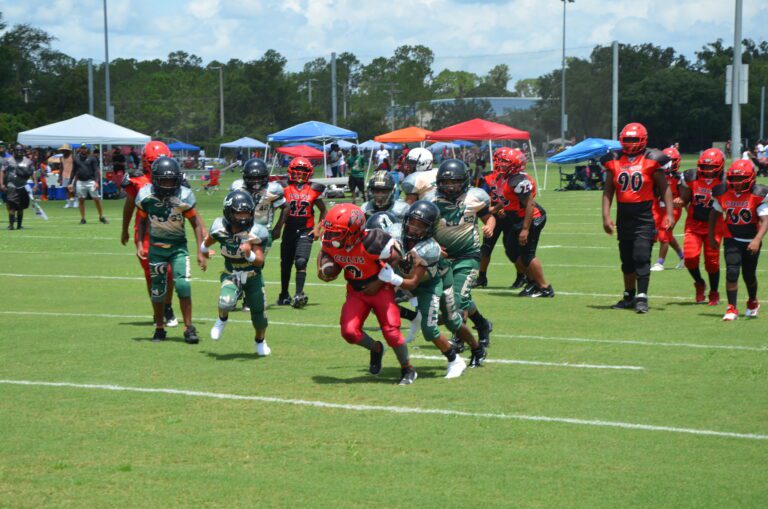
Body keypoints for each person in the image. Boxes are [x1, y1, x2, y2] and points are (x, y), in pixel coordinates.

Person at [317, 203, 417, 385]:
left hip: (380, 289)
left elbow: (396, 257)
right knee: (349, 332)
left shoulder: (376, 240)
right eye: (330, 230)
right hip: (355, 291)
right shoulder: (331, 240)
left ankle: (407, 368)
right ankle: (376, 349)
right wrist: (324, 269)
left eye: (337, 232)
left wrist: (379, 282)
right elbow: (325, 252)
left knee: (392, 332)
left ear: (354, 231)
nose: (331, 235)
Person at [388, 200, 487, 373]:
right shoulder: (395, 232)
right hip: (412, 282)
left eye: (421, 226)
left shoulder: (430, 248)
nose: (414, 228)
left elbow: (413, 281)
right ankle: (415, 317)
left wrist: (392, 279)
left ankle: (476, 348)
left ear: (430, 229)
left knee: (450, 321)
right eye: (412, 222)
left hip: (436, 281)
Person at [601, 122, 673, 314]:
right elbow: (608, 191)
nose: (631, 143)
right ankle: (629, 296)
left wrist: (670, 214)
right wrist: (606, 216)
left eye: (634, 139)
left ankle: (642, 297)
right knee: (626, 260)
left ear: (643, 140)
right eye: (628, 139)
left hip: (644, 215)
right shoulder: (614, 160)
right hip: (623, 214)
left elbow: (665, 189)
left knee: (641, 256)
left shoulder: (652, 159)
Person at [135, 157, 207, 343]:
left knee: (183, 284)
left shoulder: (184, 195)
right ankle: (159, 328)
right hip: (156, 248)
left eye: (171, 180)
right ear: (155, 179)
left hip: (178, 248)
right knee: (157, 289)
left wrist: (200, 250)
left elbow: (195, 224)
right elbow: (142, 221)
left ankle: (189, 328)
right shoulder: (146, 195)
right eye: (164, 180)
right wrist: (140, 244)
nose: (167, 184)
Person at [428, 159, 494, 347]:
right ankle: (482, 324)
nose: (450, 187)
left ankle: (459, 338)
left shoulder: (475, 198)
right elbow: (425, 228)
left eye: (454, 182)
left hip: (468, 256)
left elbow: (489, 218)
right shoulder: (432, 201)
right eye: (446, 182)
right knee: (455, 298)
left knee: (457, 300)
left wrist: (489, 227)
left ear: (464, 181)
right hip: (443, 258)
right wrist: (433, 244)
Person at [204, 190, 272, 354]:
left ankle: (260, 341)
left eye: (245, 212)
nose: (242, 217)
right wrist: (204, 251)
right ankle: (222, 319)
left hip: (252, 276)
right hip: (232, 274)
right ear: (229, 212)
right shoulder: (219, 227)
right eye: (238, 212)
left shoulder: (256, 231)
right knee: (225, 302)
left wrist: (249, 254)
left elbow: (260, 260)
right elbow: (207, 242)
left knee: (259, 318)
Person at [121, 141, 179, 327]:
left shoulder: (173, 178)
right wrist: (124, 229)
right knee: (153, 274)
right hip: (145, 234)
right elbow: (129, 205)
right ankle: (158, 312)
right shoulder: (138, 181)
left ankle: (167, 307)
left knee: (169, 273)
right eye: (154, 161)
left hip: (169, 231)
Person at [490, 148, 553, 297]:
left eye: (504, 161)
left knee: (527, 254)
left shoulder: (518, 180)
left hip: (531, 218)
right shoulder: (505, 177)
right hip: (518, 218)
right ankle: (532, 282)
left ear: (514, 164)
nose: (500, 164)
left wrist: (525, 229)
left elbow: (530, 205)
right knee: (511, 250)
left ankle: (544, 288)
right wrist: (495, 208)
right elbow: (507, 199)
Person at [709, 159, 768, 320]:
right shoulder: (722, 191)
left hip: (751, 239)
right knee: (732, 271)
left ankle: (752, 301)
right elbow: (715, 213)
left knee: (749, 275)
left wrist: (757, 239)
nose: (737, 182)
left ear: (751, 178)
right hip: (732, 237)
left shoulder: (758, 194)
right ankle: (731, 308)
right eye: (734, 178)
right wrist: (711, 234)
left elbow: (765, 220)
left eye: (741, 178)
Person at [273, 157, 327, 308]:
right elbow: (275, 206)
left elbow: (323, 210)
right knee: (286, 263)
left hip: (306, 230)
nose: (300, 174)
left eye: (304, 171)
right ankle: (284, 294)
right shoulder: (283, 187)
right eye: (298, 170)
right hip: (289, 230)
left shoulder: (314, 188)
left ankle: (298, 293)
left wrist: (318, 228)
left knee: (301, 261)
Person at [678, 148, 726, 305]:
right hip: (694, 223)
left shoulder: (725, 181)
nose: (707, 170)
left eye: (711, 166)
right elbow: (685, 199)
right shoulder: (691, 177)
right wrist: (680, 201)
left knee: (712, 261)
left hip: (715, 224)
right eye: (704, 166)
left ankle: (714, 292)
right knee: (690, 258)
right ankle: (699, 283)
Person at [650, 147, 685, 271]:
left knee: (664, 232)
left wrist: (681, 200)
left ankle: (660, 262)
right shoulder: (656, 174)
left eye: (671, 161)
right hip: (658, 206)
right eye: (666, 161)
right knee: (661, 233)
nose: (668, 164)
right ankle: (682, 256)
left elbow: (684, 197)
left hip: (673, 208)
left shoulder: (679, 178)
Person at [70, 144, 108, 225]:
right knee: (81, 200)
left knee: (96, 199)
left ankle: (101, 216)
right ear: (80, 149)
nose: (83, 150)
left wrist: (97, 182)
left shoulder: (92, 158)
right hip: (80, 182)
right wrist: (70, 182)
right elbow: (73, 171)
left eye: (84, 148)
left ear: (87, 149)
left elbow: (96, 170)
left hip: (91, 181)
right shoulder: (76, 159)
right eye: (82, 148)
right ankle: (83, 218)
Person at [0, 144, 35, 230]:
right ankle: (11, 225)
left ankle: (19, 225)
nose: (19, 152)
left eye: (20, 150)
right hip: (11, 185)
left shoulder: (28, 161)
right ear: (14, 151)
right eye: (17, 150)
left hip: (23, 186)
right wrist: (1, 184)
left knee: (21, 207)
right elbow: (2, 172)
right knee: (11, 205)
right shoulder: (8, 160)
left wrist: (36, 184)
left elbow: (32, 173)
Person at [57, 144, 77, 208]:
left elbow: (76, 166)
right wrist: (59, 177)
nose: (63, 151)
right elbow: (61, 167)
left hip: (72, 175)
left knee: (72, 189)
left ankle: (75, 201)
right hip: (64, 175)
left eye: (65, 150)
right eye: (63, 150)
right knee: (66, 189)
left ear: (68, 151)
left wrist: (76, 175)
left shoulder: (72, 157)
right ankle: (68, 203)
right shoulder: (61, 158)